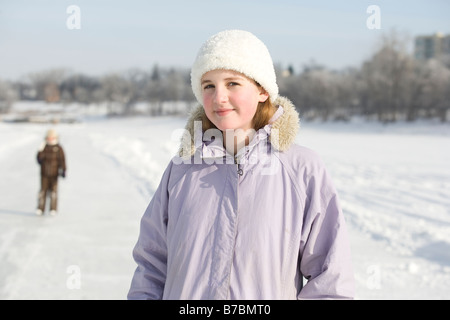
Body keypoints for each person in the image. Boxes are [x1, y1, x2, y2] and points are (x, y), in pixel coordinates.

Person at [128, 30, 355, 299]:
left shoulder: (302, 169)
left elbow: (330, 279)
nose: (218, 97)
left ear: (261, 90)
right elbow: (151, 266)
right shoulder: (182, 168)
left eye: (232, 83)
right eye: (208, 85)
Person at [36, 128, 66, 216]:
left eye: (52, 138)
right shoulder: (44, 147)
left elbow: (62, 160)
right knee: (42, 191)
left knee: (53, 192)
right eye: (49, 138)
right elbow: (39, 160)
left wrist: (63, 170)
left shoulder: (58, 148)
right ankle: (40, 208)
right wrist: (40, 151)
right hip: (44, 174)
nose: (50, 139)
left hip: (54, 174)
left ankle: (53, 209)